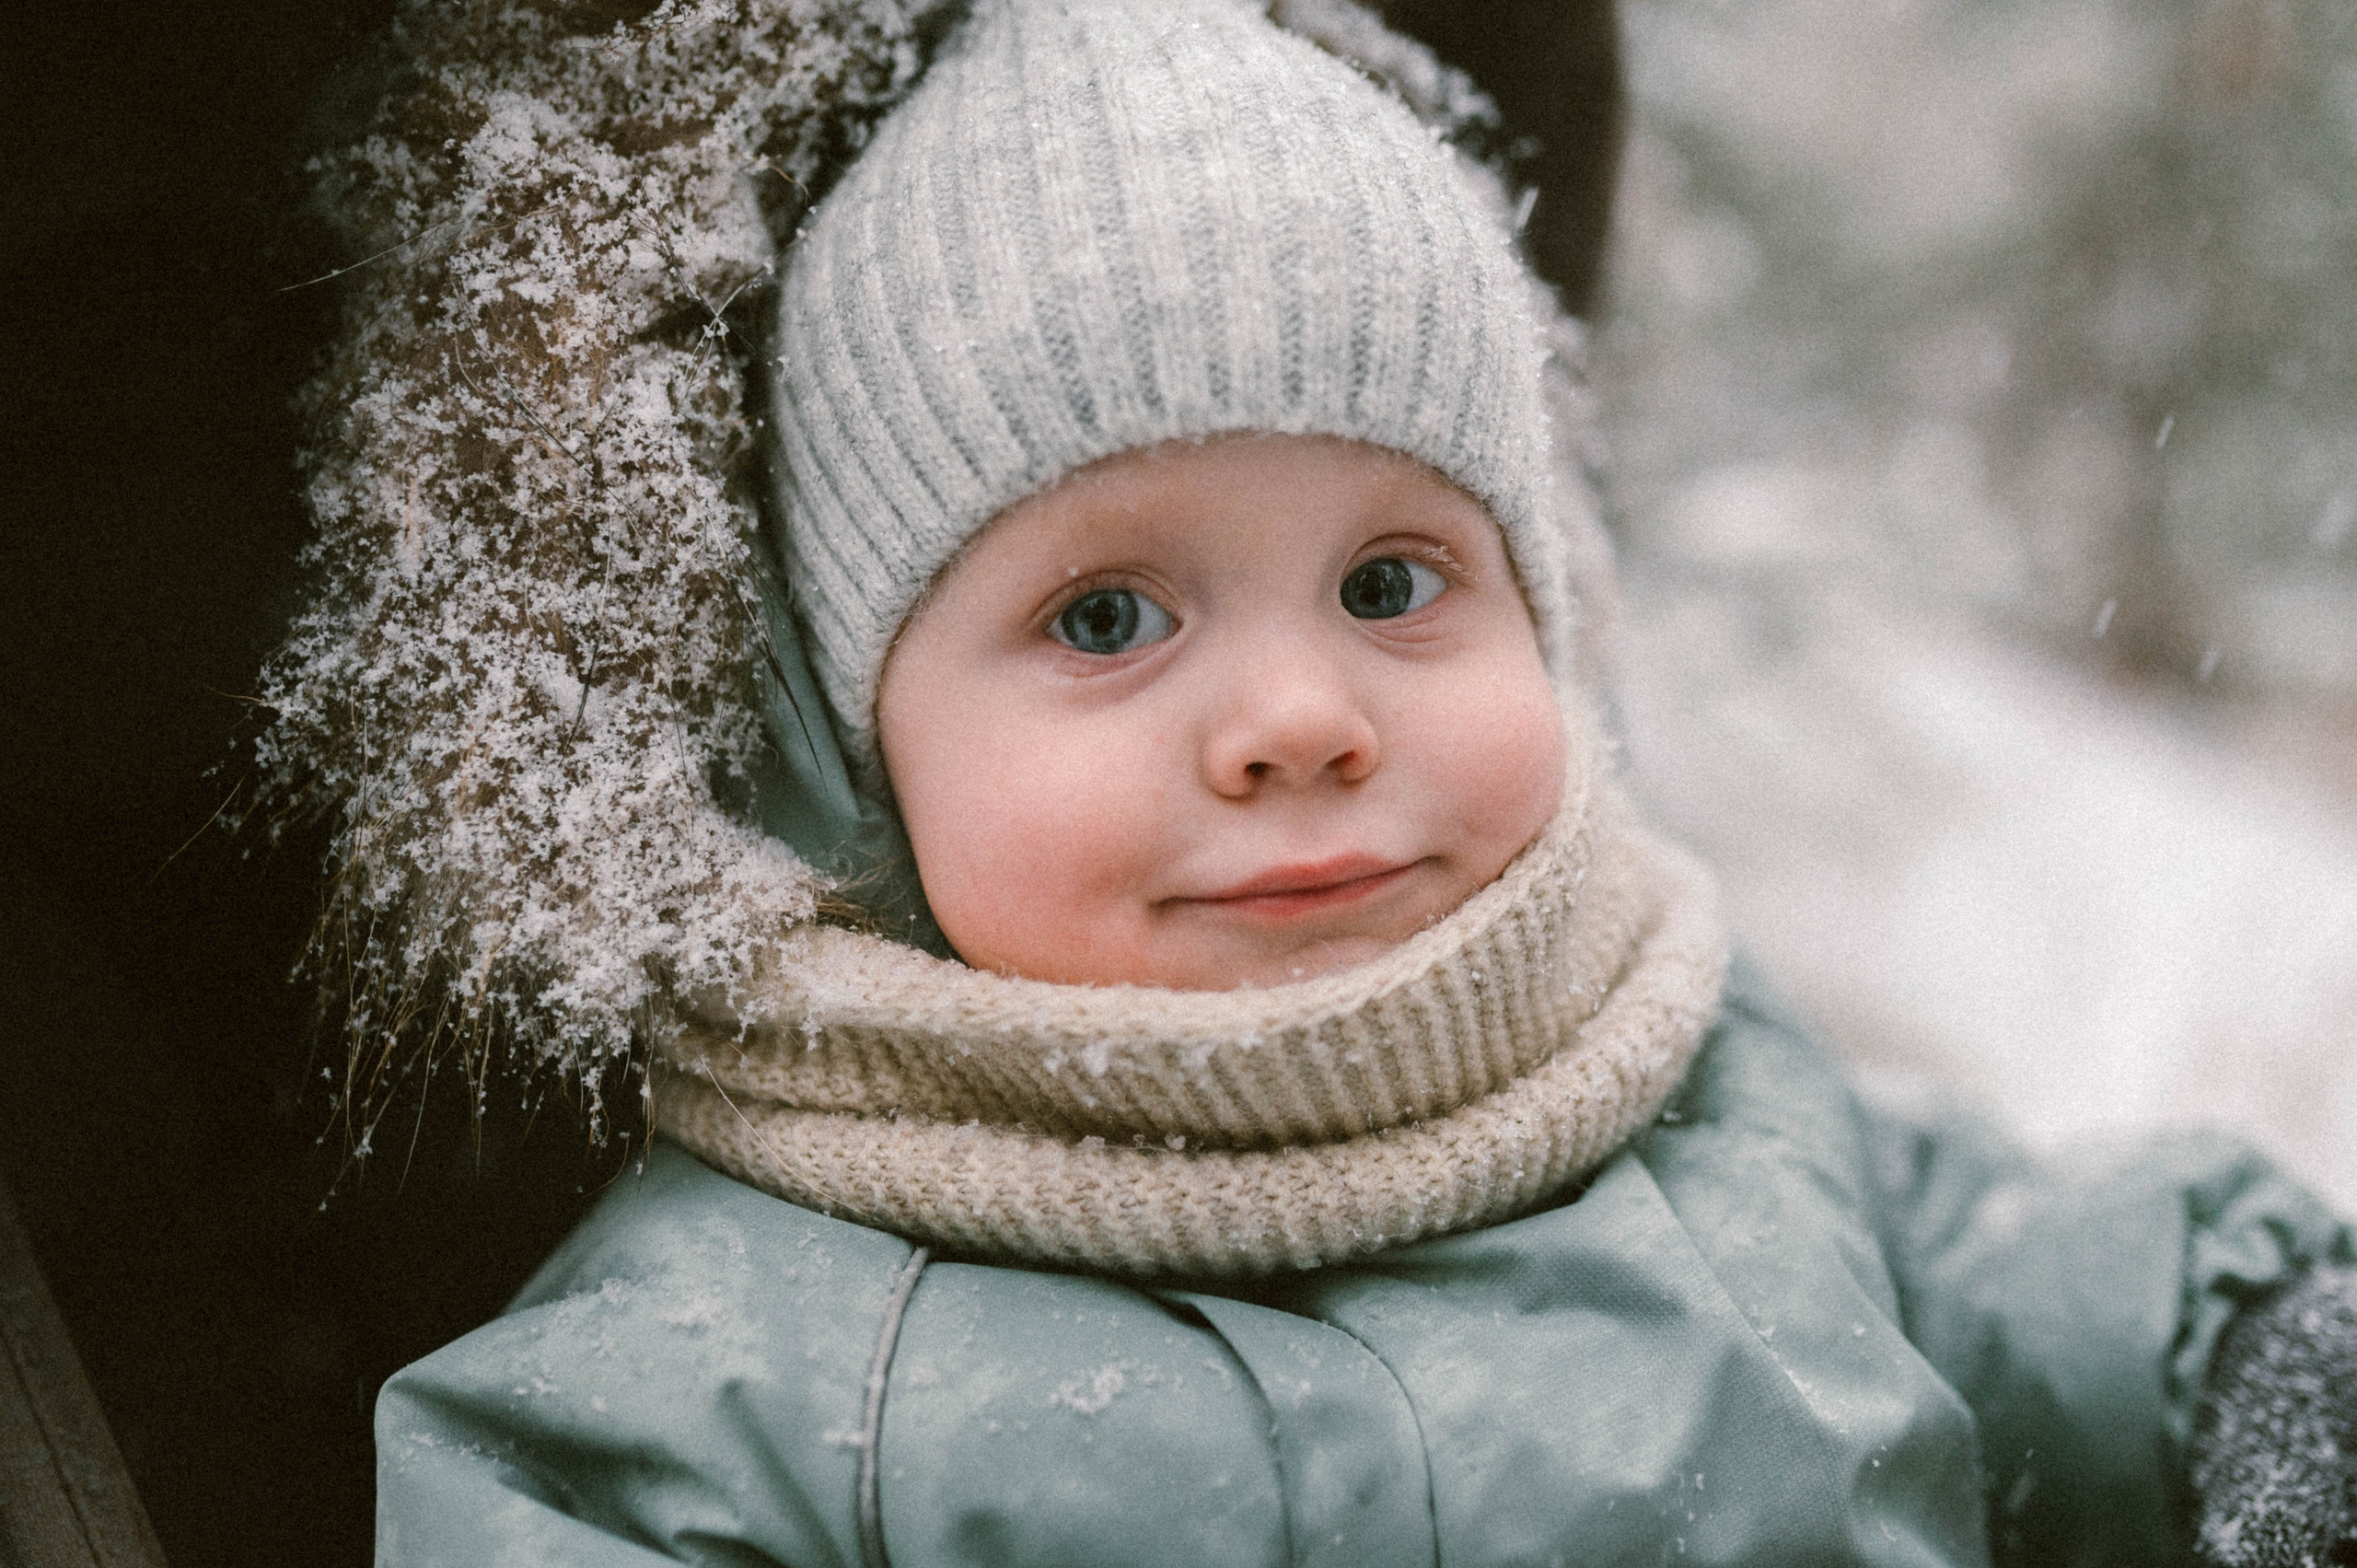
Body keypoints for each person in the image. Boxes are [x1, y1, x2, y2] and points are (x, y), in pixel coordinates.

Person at [272, 0, 2353, 1562]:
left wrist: (2256, 1347)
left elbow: (2031, 1278)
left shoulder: (1700, 1086)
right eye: (1104, 619)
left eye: (1389, 580)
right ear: (854, 745)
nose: (1299, 717)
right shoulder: (731, 1372)